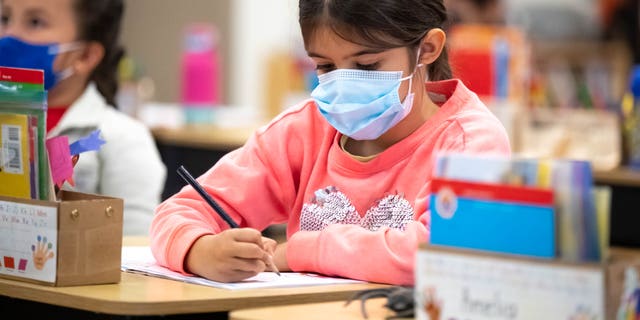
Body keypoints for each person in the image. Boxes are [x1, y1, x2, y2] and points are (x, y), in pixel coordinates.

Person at [150, 0, 511, 285]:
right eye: (324, 67)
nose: (343, 85)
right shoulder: (304, 130)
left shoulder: (470, 141)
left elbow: (444, 253)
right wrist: (200, 250)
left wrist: (300, 252)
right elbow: (178, 212)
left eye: (367, 66)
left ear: (427, 49)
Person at [0, 0, 167, 236]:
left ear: (86, 55)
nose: (9, 35)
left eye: (35, 22)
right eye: (5, 18)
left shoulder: (122, 137)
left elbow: (136, 246)